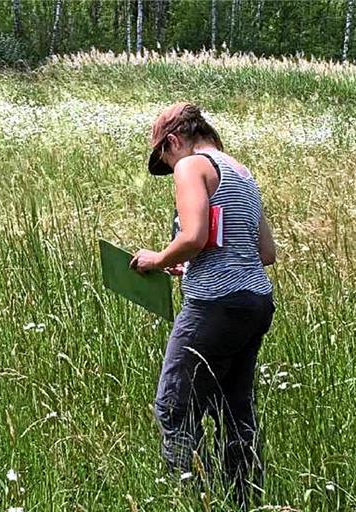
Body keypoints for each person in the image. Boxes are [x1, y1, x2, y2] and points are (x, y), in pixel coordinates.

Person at [129, 102, 276, 509]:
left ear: (174, 141)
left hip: (214, 305)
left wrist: (157, 258)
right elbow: (265, 252)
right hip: (255, 302)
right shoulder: (242, 174)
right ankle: (244, 500)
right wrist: (192, 263)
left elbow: (194, 234)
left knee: (173, 408)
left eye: (165, 157)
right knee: (235, 410)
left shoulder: (191, 166)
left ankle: (192, 502)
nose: (170, 167)